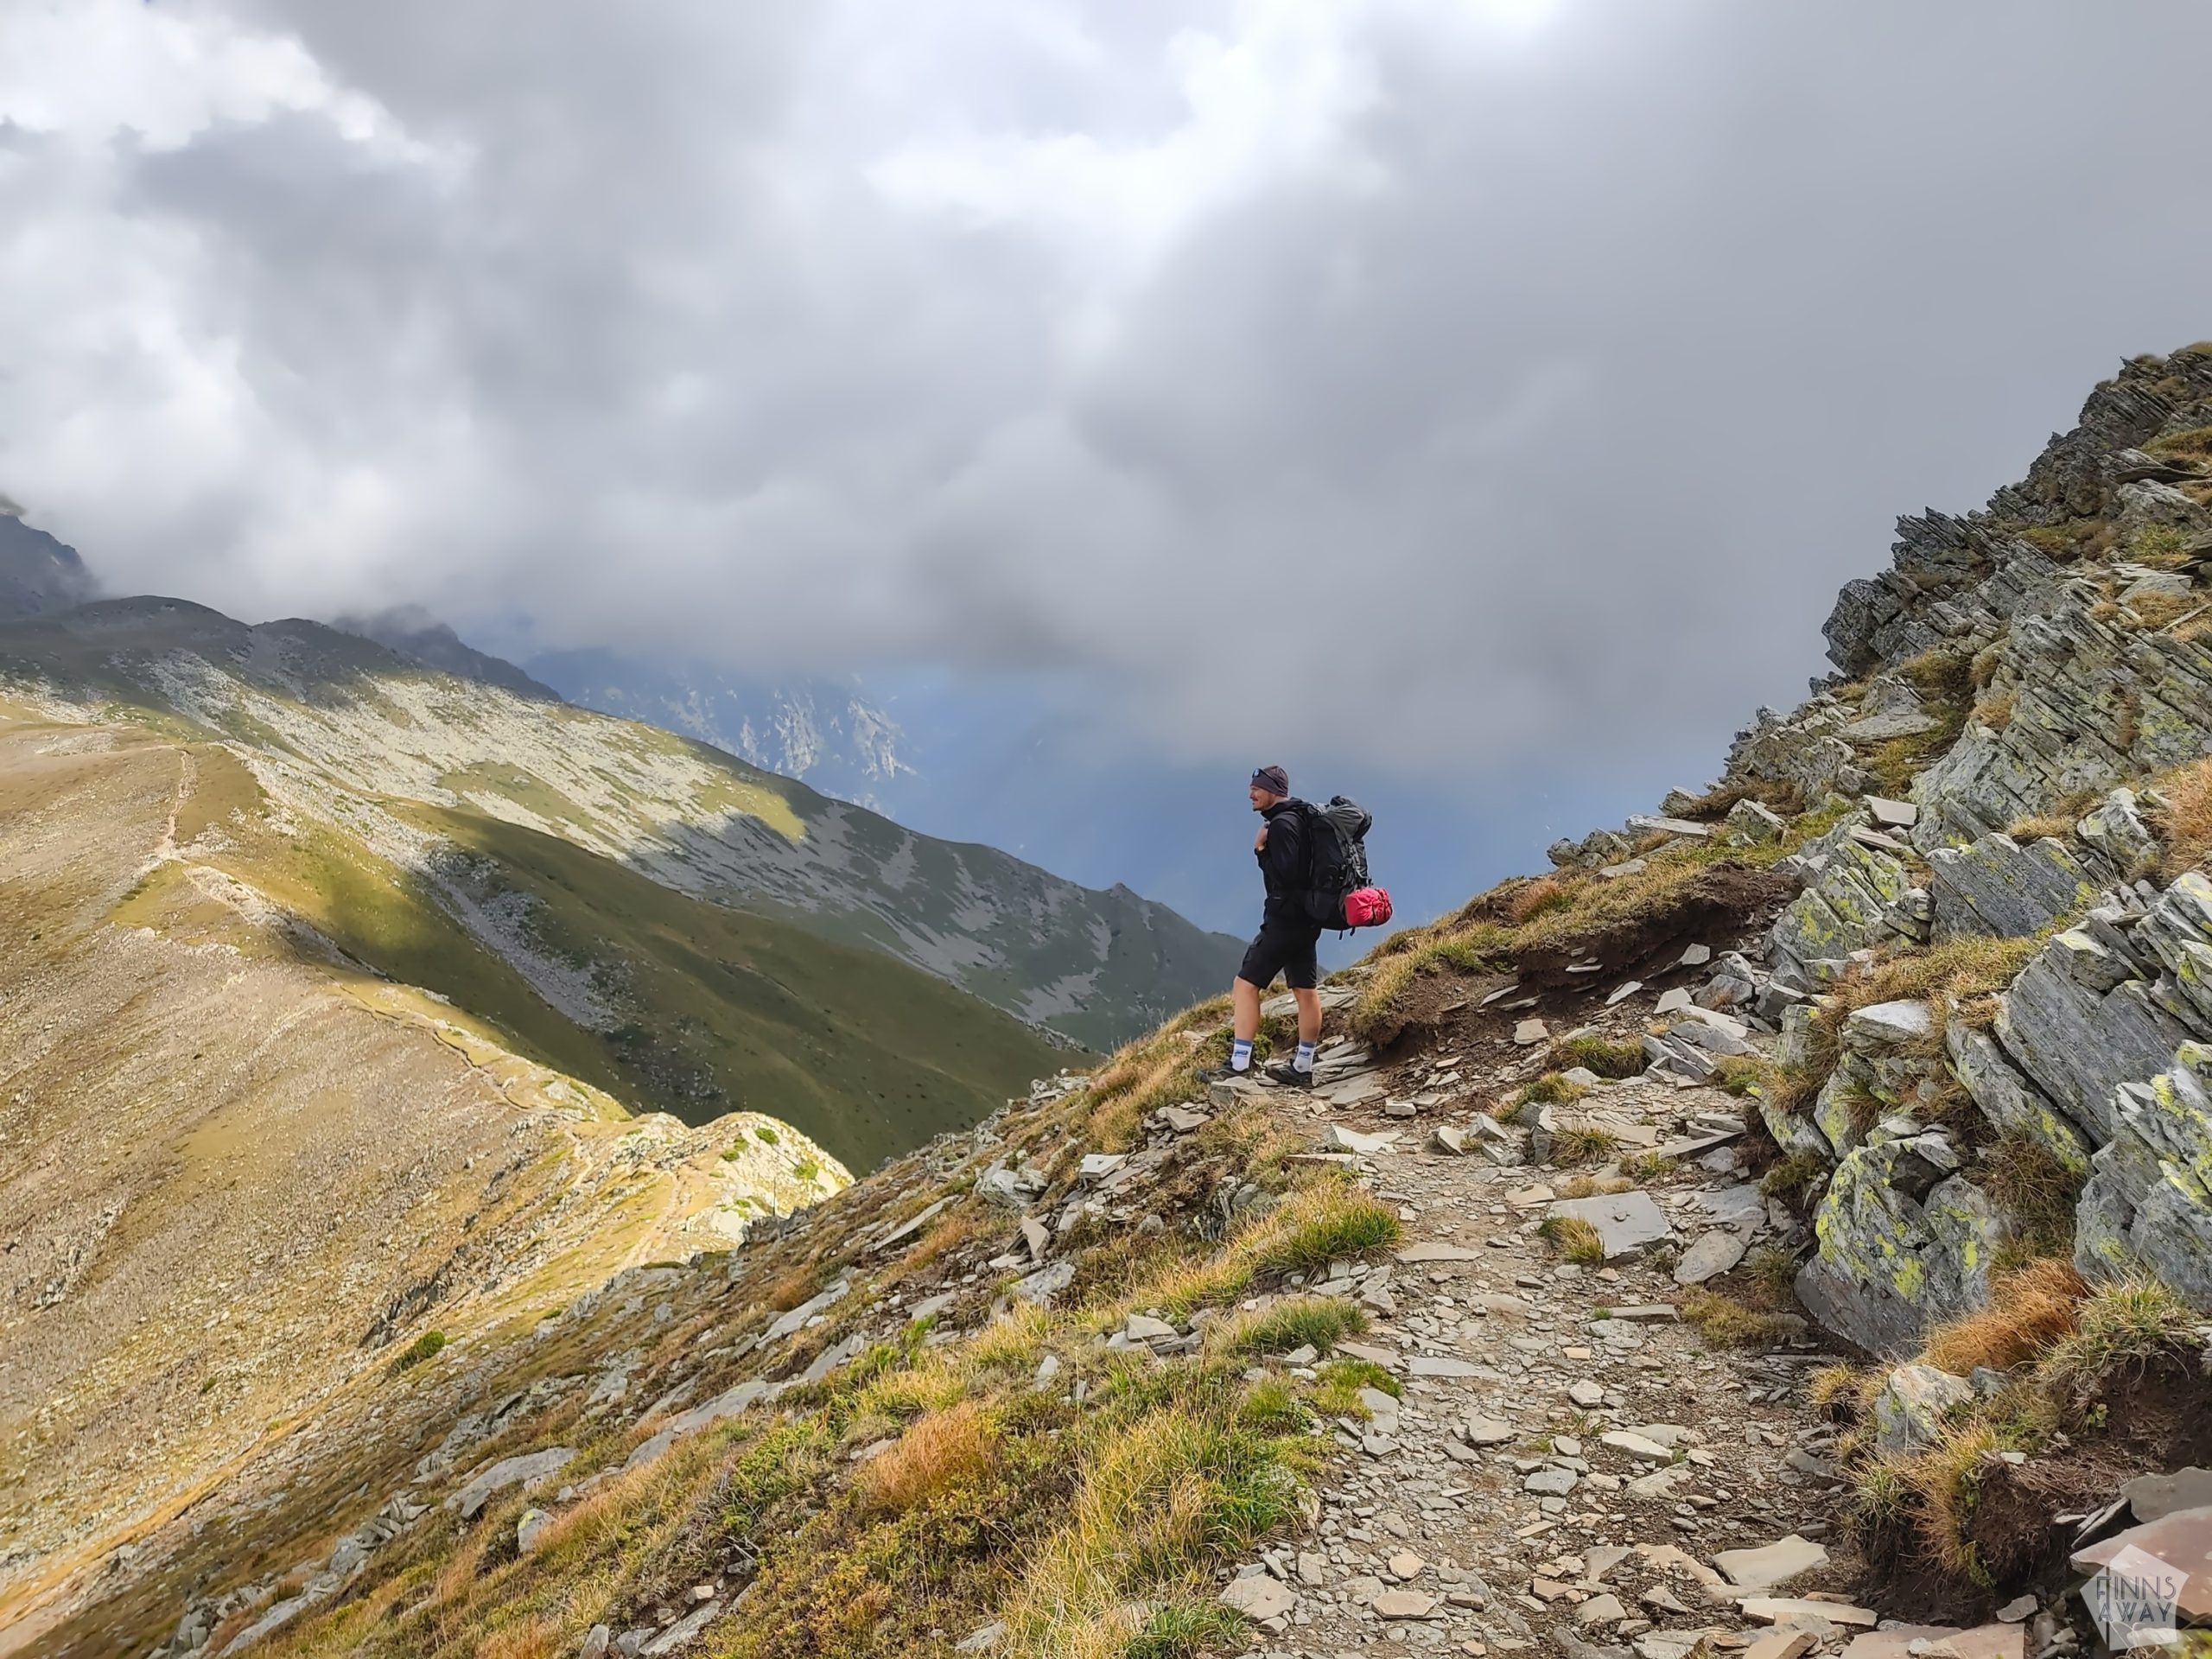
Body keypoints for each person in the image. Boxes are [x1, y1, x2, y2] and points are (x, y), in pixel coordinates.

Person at [1199, 765, 1325, 1089]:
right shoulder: (1301, 818)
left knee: (1245, 985)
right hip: (1309, 918)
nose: (1250, 794)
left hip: (1285, 920)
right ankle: (1302, 1067)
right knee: (1305, 990)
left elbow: (1286, 875)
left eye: (1256, 788)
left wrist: (1260, 850)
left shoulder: (1281, 825)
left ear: (1272, 790)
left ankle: (1239, 1063)